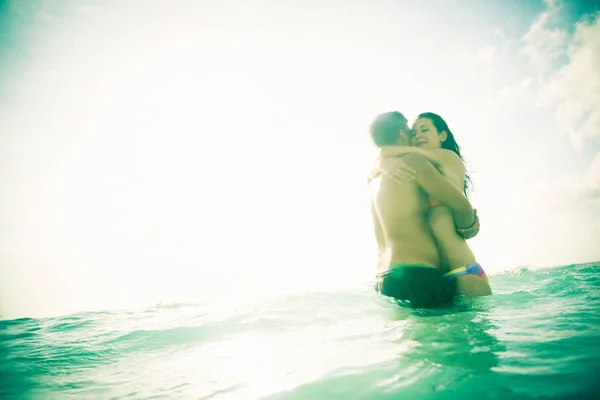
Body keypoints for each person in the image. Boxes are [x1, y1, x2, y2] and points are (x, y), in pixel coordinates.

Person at [368, 111, 479, 307]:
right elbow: (461, 205)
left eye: (425, 130)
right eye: (413, 131)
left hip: (385, 279)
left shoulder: (374, 178)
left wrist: (382, 157)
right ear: (403, 134)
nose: (417, 136)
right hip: (419, 272)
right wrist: (468, 226)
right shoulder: (412, 162)